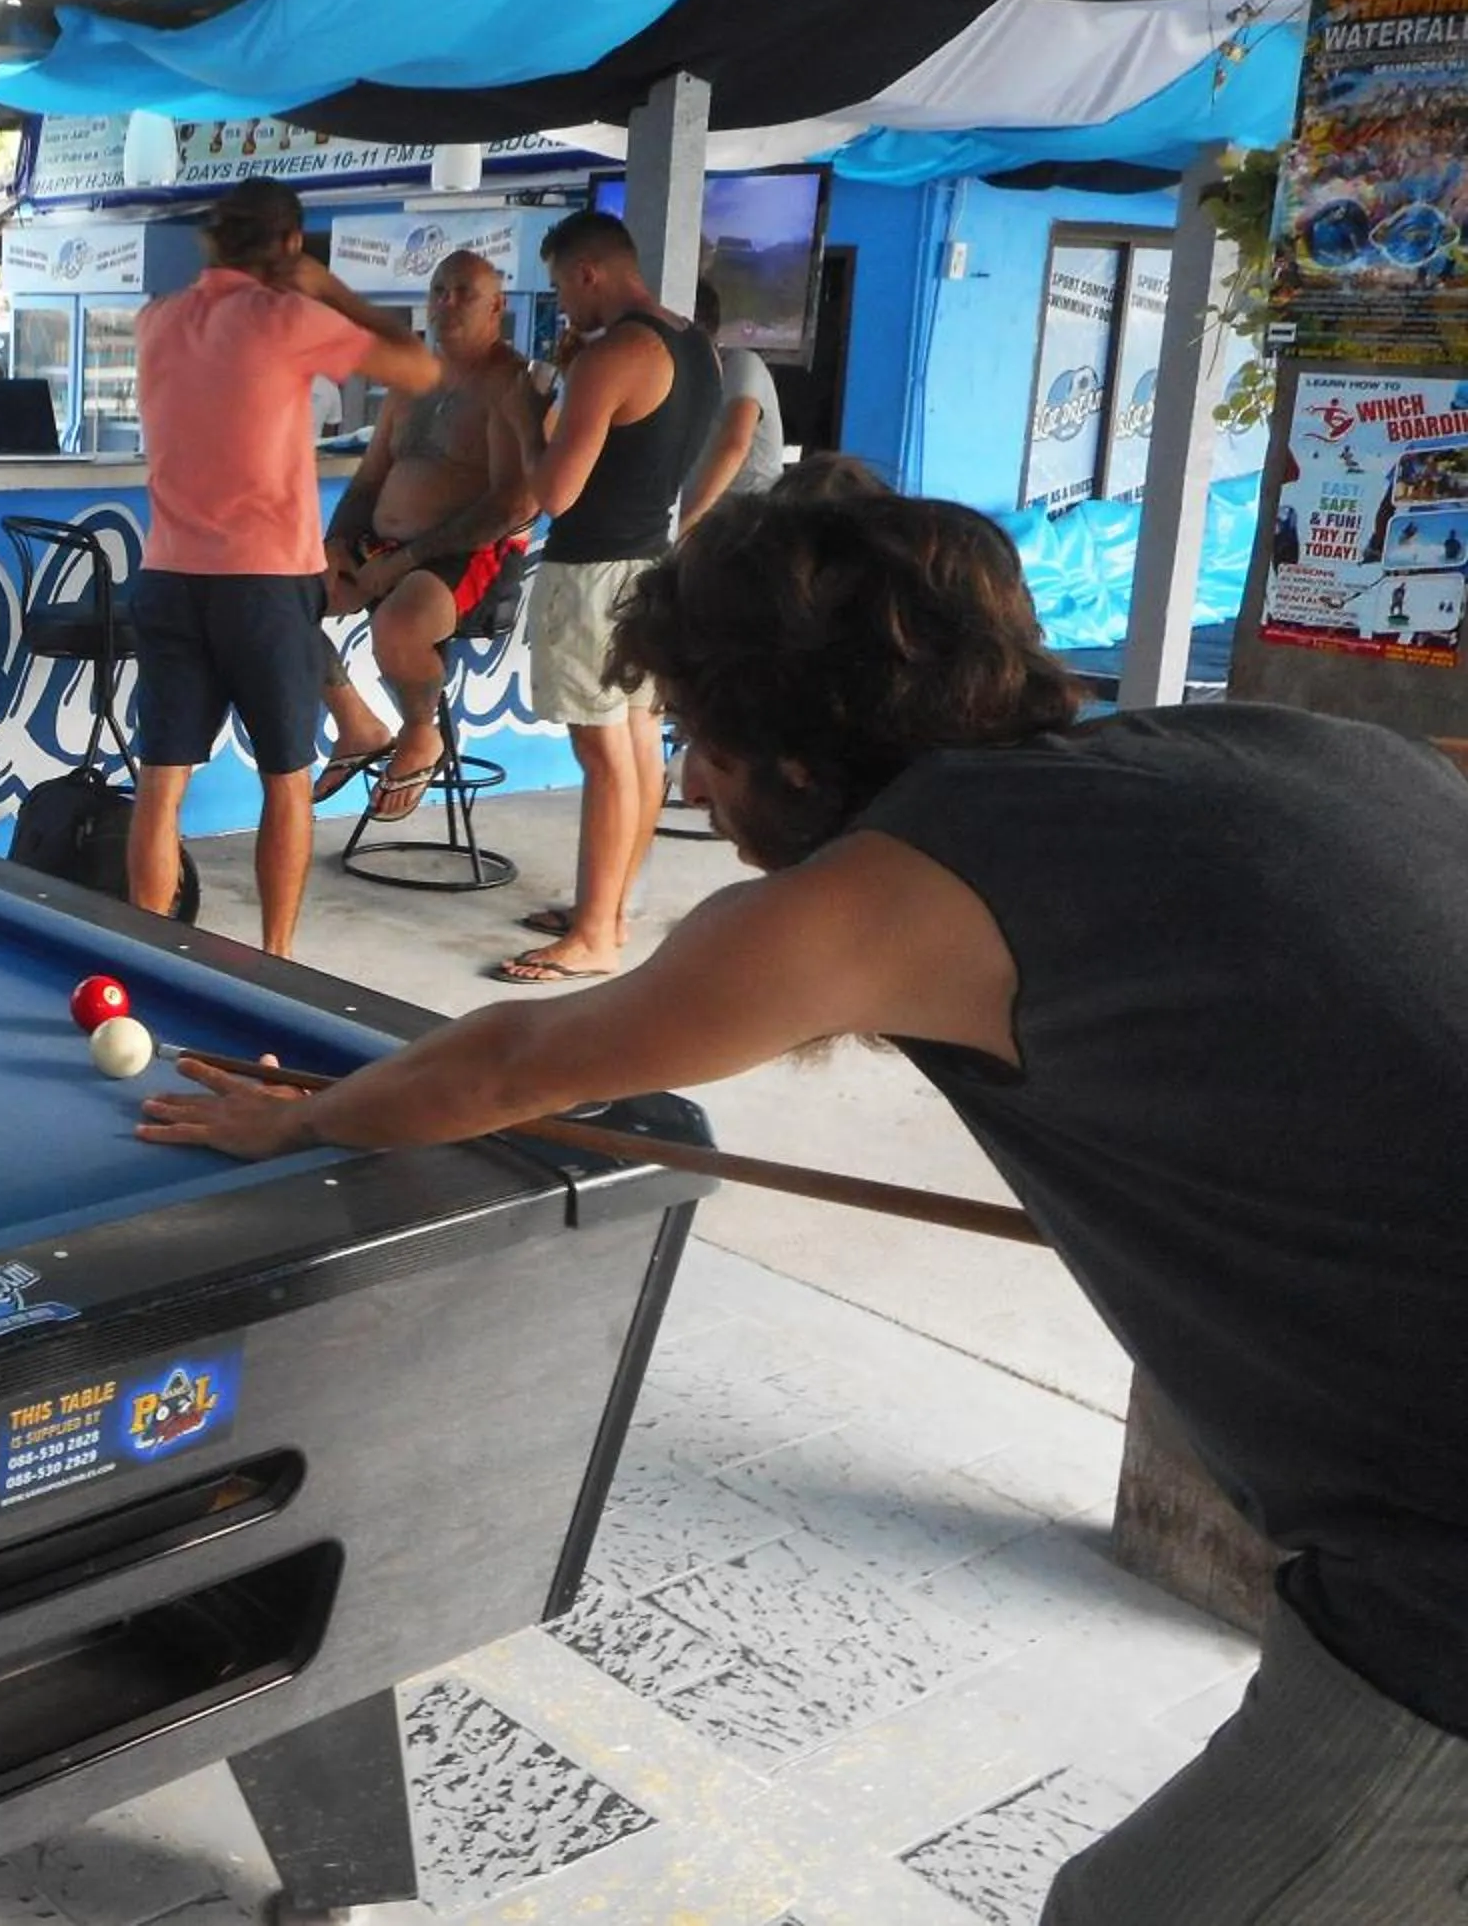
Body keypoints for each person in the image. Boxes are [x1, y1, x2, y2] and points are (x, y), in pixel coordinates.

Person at [138, 470, 1468, 1926]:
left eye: (697, 739)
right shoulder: (1298, 746)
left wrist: (309, 1117)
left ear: (788, 744)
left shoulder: (888, 894)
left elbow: (518, 1057)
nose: (692, 781)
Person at [128, 177, 441, 957]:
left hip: (168, 573)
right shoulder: (289, 318)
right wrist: (330, 287)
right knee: (285, 779)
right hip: (265, 583)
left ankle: (144, 954)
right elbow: (420, 370)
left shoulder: (156, 321)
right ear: (291, 245)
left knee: (161, 785)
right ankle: (276, 961)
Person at [495, 208, 721, 985]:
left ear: (590, 272)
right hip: (650, 565)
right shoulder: (695, 346)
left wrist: (531, 416)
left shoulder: (614, 356)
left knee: (602, 752)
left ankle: (594, 933)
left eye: (562, 285)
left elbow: (554, 491)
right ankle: (611, 911)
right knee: (634, 743)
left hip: (594, 570)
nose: (564, 305)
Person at [312, 251, 552, 820]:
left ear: (496, 307)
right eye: (438, 289)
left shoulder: (510, 385)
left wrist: (406, 561)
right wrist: (336, 542)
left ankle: (422, 733)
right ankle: (358, 725)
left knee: (399, 624)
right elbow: (370, 478)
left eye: (462, 292)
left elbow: (513, 503)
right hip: (381, 547)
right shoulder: (410, 380)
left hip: (467, 553)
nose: (446, 303)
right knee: (277, 601)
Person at [676, 283, 787, 533]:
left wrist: (684, 525)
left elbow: (734, 446)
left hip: (750, 523)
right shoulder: (680, 382)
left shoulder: (741, 365)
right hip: (708, 525)